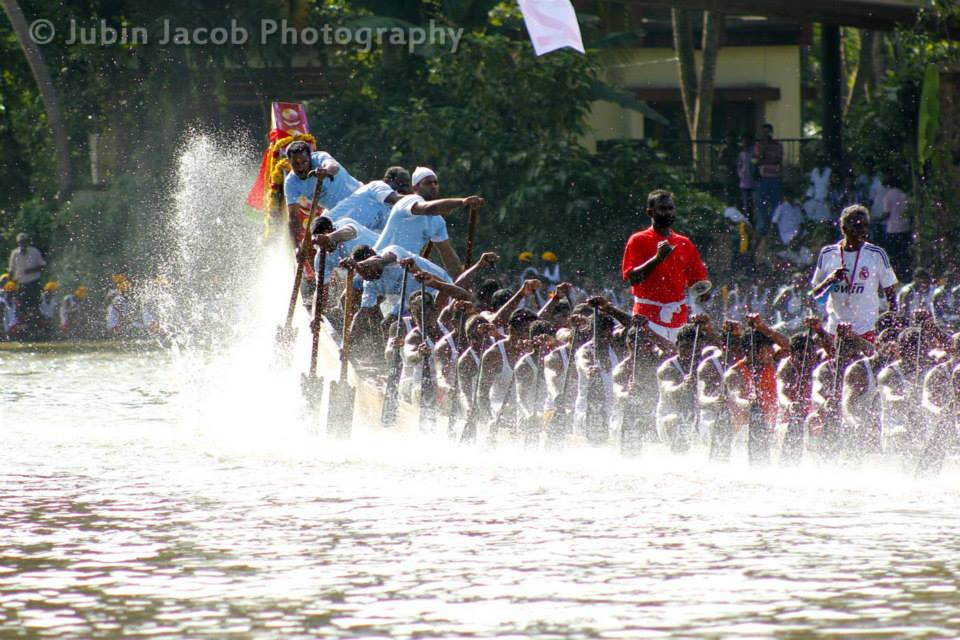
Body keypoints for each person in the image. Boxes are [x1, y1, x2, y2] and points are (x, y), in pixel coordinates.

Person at [621, 189, 711, 343]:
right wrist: (658, 258)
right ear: (650, 212)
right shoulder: (638, 240)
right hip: (647, 320)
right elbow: (633, 279)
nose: (668, 213)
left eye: (671, 208)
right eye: (663, 209)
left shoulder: (684, 243)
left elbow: (698, 282)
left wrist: (704, 292)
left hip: (679, 320)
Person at [374, 166, 484, 277]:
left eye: (436, 183)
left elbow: (448, 256)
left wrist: (461, 283)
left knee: (444, 282)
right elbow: (428, 208)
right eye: (428, 183)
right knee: (440, 278)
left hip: (403, 269)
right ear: (415, 187)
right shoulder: (409, 200)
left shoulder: (438, 221)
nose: (433, 186)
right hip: (378, 263)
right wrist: (462, 202)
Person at [810, 204, 898, 340]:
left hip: (867, 329)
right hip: (835, 330)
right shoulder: (828, 253)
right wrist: (830, 280)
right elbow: (815, 293)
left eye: (865, 225)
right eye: (857, 225)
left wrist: (892, 328)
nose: (862, 230)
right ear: (844, 227)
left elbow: (891, 296)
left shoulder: (876, 254)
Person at [283, 140, 361, 248]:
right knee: (318, 237)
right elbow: (293, 219)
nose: (300, 168)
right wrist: (297, 247)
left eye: (304, 162)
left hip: (357, 197)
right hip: (336, 211)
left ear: (311, 158)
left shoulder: (320, 158)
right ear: (289, 162)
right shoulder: (291, 183)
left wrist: (326, 172)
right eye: (295, 164)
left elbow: (334, 167)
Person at [324, 166, 411, 233]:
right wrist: (419, 199)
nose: (403, 189)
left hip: (345, 235)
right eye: (400, 183)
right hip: (327, 227)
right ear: (387, 179)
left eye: (406, 185)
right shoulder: (378, 185)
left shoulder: (390, 210)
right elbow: (394, 198)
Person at [752, 123, 784, 235]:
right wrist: (764, 150)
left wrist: (766, 159)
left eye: (768, 132)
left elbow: (778, 159)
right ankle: (761, 227)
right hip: (763, 178)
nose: (766, 134)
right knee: (761, 204)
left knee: (775, 204)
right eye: (764, 132)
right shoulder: (758, 145)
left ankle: (774, 227)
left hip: (775, 177)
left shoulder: (777, 145)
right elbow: (757, 160)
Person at [8, 233, 45, 326]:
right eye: (21, 242)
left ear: (28, 242)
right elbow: (11, 270)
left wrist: (32, 270)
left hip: (34, 283)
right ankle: (24, 328)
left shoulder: (35, 252)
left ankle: (38, 327)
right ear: (18, 243)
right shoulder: (15, 253)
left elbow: (42, 266)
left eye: (24, 242)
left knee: (35, 306)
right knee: (21, 306)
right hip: (22, 284)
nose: (23, 244)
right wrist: (9, 284)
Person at [881, 176, 911, 280]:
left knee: (893, 256)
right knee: (903, 254)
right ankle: (905, 276)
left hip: (892, 229)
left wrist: (876, 220)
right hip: (904, 228)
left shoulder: (888, 195)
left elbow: (887, 214)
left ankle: (894, 277)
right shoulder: (904, 195)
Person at [736, 132, 757, 220]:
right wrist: (741, 175)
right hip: (744, 183)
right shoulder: (741, 153)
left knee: (754, 204)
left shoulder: (754, 152)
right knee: (745, 205)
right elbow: (739, 166)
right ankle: (747, 221)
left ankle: (754, 221)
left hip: (754, 183)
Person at [717, 132, 740, 207]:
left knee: (738, 196)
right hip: (728, 175)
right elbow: (720, 161)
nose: (729, 140)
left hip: (739, 175)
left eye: (731, 138)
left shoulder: (739, 149)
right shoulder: (725, 150)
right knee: (729, 195)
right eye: (728, 139)